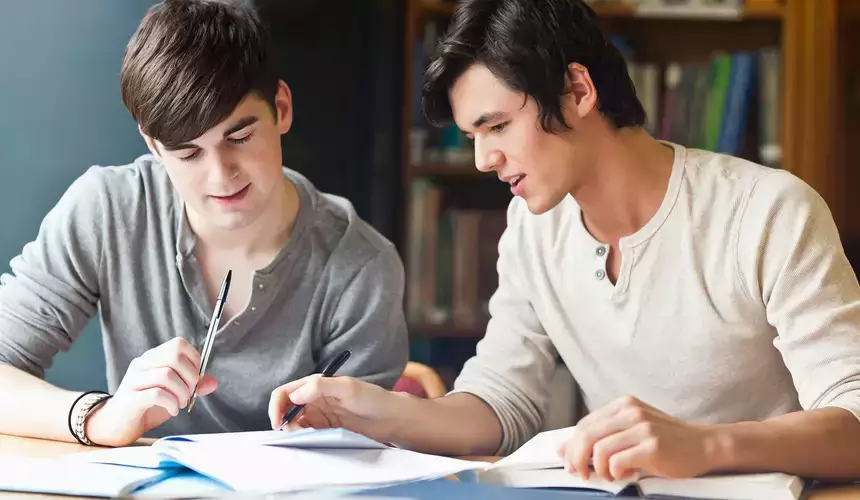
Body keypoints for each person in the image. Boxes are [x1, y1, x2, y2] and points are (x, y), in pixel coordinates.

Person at [270, 0, 860, 482]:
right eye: (473, 136)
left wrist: (704, 446)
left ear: (578, 90)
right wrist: (370, 411)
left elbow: (855, 420)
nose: (483, 160)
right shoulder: (533, 228)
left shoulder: (768, 212)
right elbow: (502, 402)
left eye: (498, 126)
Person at [0, 0, 408, 447]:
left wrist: (333, 433)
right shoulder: (108, 211)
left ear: (281, 108)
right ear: (153, 145)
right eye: (188, 153)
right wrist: (100, 418)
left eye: (240, 137)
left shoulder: (361, 266)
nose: (221, 175)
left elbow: (365, 449)